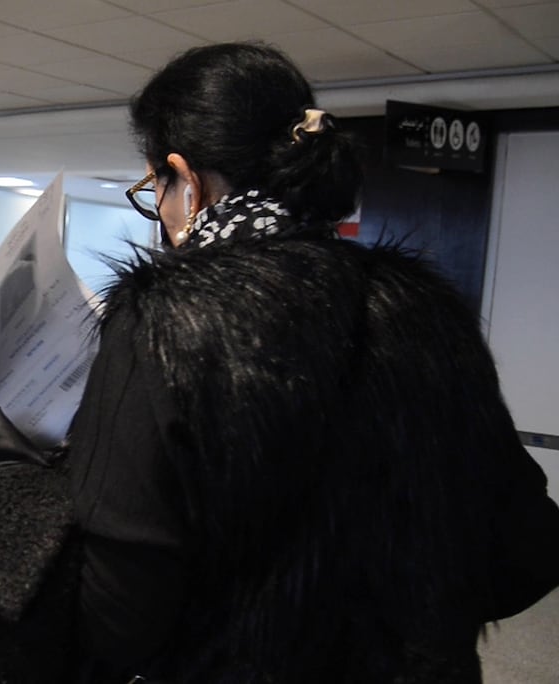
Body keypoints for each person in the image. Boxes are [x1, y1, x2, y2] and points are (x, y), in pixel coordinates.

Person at [69, 43, 559, 682]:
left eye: (152, 188)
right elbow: (526, 546)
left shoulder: (163, 321)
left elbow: (118, 608)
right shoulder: (424, 308)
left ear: (187, 182)